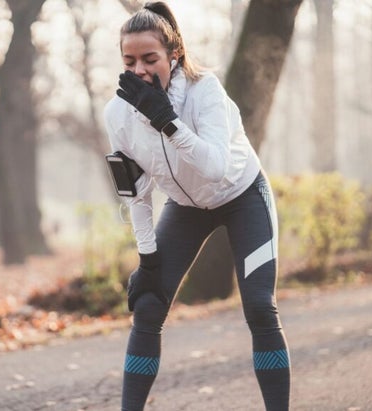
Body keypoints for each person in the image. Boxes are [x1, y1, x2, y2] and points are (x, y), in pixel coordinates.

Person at [102, 3, 291, 410]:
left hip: (242, 197)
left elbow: (217, 168)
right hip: (185, 207)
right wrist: (147, 258)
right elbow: (135, 192)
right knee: (148, 306)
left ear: (174, 55)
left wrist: (166, 121)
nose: (139, 70)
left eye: (149, 59)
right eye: (129, 60)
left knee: (259, 306)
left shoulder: (205, 90)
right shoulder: (118, 113)